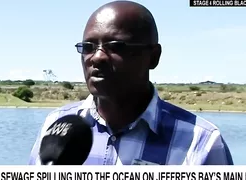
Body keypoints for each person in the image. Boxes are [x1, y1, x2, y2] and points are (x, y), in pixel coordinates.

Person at [29, 0, 233, 165]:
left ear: (153, 57)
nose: (97, 57)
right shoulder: (57, 126)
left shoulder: (201, 142)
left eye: (116, 46)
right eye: (88, 46)